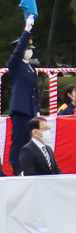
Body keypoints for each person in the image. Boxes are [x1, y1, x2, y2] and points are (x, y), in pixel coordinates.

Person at [8, 13, 41, 175]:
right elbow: (18, 51)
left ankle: (26, 168)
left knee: (29, 142)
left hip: (30, 110)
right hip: (20, 109)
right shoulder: (15, 64)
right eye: (27, 49)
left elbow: (34, 92)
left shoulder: (31, 68)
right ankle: (16, 167)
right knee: (18, 140)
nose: (29, 52)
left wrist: (38, 110)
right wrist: (27, 29)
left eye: (30, 49)